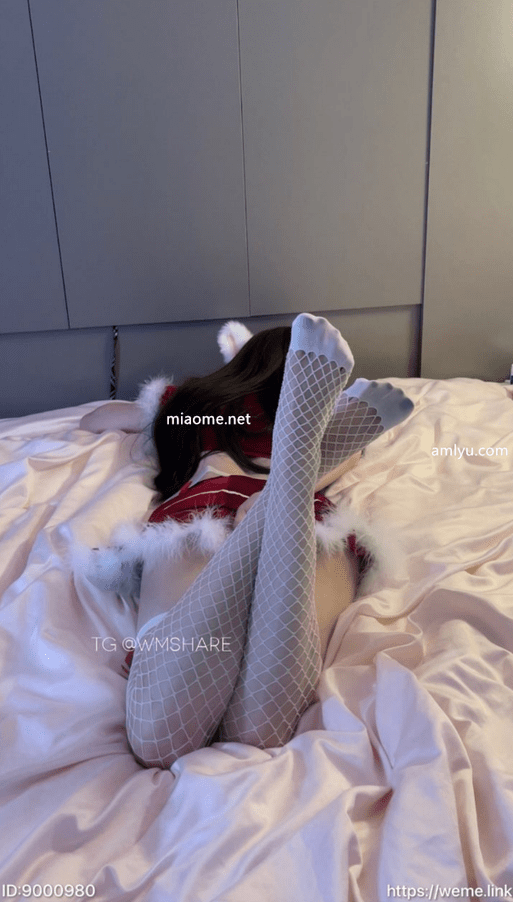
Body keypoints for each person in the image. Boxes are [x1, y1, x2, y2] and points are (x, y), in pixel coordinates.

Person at [79, 314, 414, 768]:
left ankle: (288, 480)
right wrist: (282, 484)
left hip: (205, 507)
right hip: (305, 519)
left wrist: (162, 408)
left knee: (157, 739)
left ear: (245, 362)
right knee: (261, 732)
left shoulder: (198, 404)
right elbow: (348, 459)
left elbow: (95, 419)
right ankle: (294, 470)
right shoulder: (330, 415)